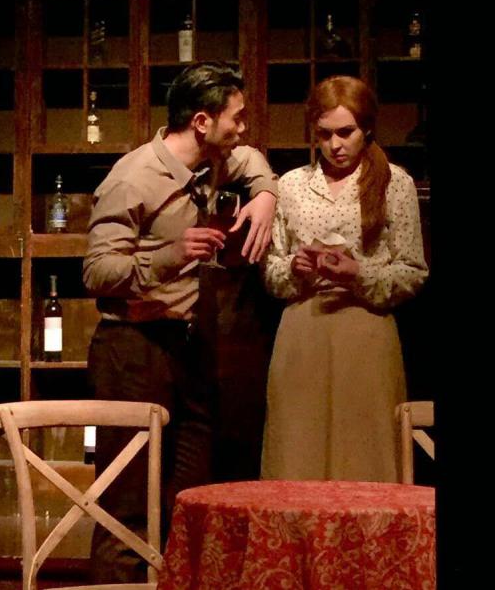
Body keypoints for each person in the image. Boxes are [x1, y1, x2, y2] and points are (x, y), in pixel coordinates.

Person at [83, 60, 278, 583]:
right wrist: (168, 255)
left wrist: (265, 196)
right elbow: (97, 272)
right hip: (133, 348)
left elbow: (252, 161)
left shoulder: (214, 161)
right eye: (236, 117)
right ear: (201, 122)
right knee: (126, 502)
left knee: (189, 498)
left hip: (188, 347)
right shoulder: (133, 178)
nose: (243, 128)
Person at [260, 75, 428, 483]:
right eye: (324, 134)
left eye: (345, 132)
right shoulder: (292, 185)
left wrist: (358, 273)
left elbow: (412, 270)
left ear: (366, 128)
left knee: (365, 453)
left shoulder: (394, 183)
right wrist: (295, 269)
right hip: (304, 330)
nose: (335, 145)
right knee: (298, 451)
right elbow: (272, 269)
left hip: (365, 329)